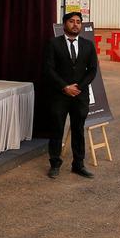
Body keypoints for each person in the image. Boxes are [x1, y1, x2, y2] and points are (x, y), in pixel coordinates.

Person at [43, 11, 99, 179]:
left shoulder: (88, 45)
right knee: (57, 130)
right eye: (72, 21)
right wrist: (64, 87)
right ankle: (54, 164)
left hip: (80, 96)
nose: (76, 24)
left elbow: (92, 70)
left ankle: (78, 165)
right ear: (64, 24)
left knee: (78, 130)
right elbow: (48, 69)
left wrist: (78, 88)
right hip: (59, 95)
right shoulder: (53, 44)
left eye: (78, 22)